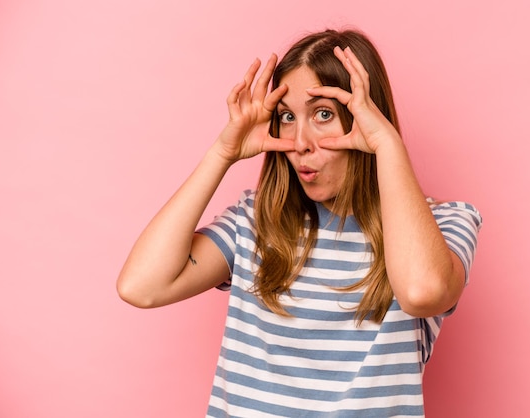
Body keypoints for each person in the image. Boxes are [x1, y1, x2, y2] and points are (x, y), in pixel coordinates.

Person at [117, 28, 482, 417]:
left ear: (368, 118)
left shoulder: (445, 222)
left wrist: (388, 145)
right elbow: (141, 286)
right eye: (287, 117)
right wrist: (222, 153)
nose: (300, 141)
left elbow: (423, 292)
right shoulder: (255, 222)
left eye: (323, 114)